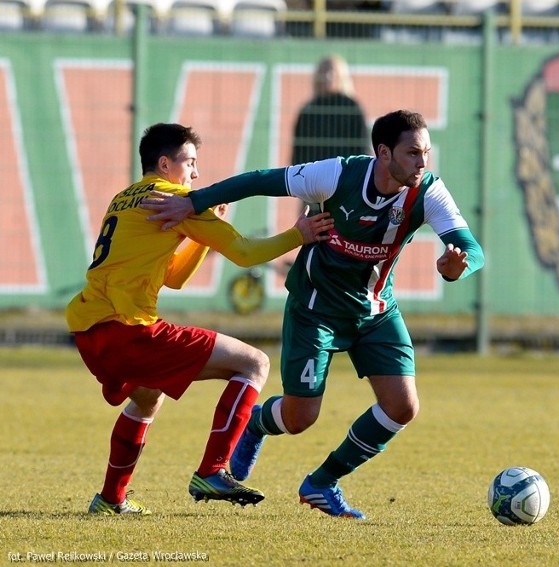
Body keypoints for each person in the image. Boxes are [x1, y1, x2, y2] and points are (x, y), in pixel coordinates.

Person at [141, 110, 485, 520]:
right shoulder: (337, 175)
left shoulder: (428, 191)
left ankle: (322, 482)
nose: (423, 162)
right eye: (413, 153)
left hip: (374, 311)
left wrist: (459, 266)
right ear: (383, 152)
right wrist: (193, 202)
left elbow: (472, 249)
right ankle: (255, 423)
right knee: (300, 417)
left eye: (426, 152)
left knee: (403, 407)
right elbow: (260, 180)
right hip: (315, 309)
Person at [66, 123, 333, 515]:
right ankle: (213, 470)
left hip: (88, 329)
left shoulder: (124, 198)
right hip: (129, 329)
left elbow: (172, 277)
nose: (195, 174)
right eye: (190, 162)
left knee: (146, 396)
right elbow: (243, 252)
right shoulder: (178, 198)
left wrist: (199, 239)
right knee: (254, 364)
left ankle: (110, 500)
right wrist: (299, 234)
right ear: (164, 163)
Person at [292, 54, 370, 165]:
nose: (328, 76)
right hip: (314, 175)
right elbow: (299, 150)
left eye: (332, 72)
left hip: (345, 174)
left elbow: (362, 146)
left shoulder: (351, 107)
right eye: (324, 71)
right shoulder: (308, 110)